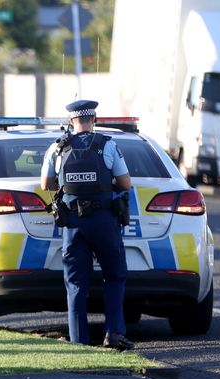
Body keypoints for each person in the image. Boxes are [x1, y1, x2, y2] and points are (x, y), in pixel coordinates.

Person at [40, 99, 135, 350]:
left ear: (71, 122)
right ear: (94, 119)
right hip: (104, 222)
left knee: (75, 283)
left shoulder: (57, 148)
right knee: (114, 276)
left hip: (73, 224)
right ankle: (114, 333)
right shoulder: (108, 145)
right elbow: (125, 183)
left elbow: (45, 184)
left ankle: (78, 342)